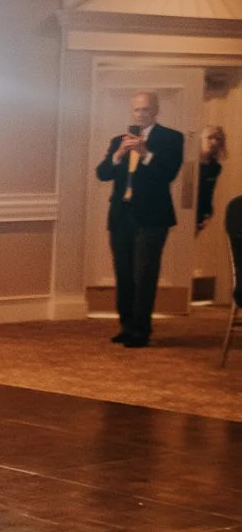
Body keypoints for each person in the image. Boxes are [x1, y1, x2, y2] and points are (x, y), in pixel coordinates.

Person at [96, 92, 182, 348]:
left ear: (155, 110)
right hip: (121, 215)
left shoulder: (170, 138)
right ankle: (126, 325)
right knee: (123, 273)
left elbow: (168, 173)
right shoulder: (118, 140)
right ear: (131, 112)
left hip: (152, 217)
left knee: (143, 274)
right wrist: (119, 154)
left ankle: (141, 330)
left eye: (145, 110)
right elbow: (102, 173)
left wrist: (145, 154)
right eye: (137, 110)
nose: (141, 114)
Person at [197, 125, 225, 232]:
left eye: (218, 139)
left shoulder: (215, 167)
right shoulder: (189, 164)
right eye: (210, 137)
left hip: (201, 215)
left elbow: (207, 193)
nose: (214, 142)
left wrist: (208, 214)